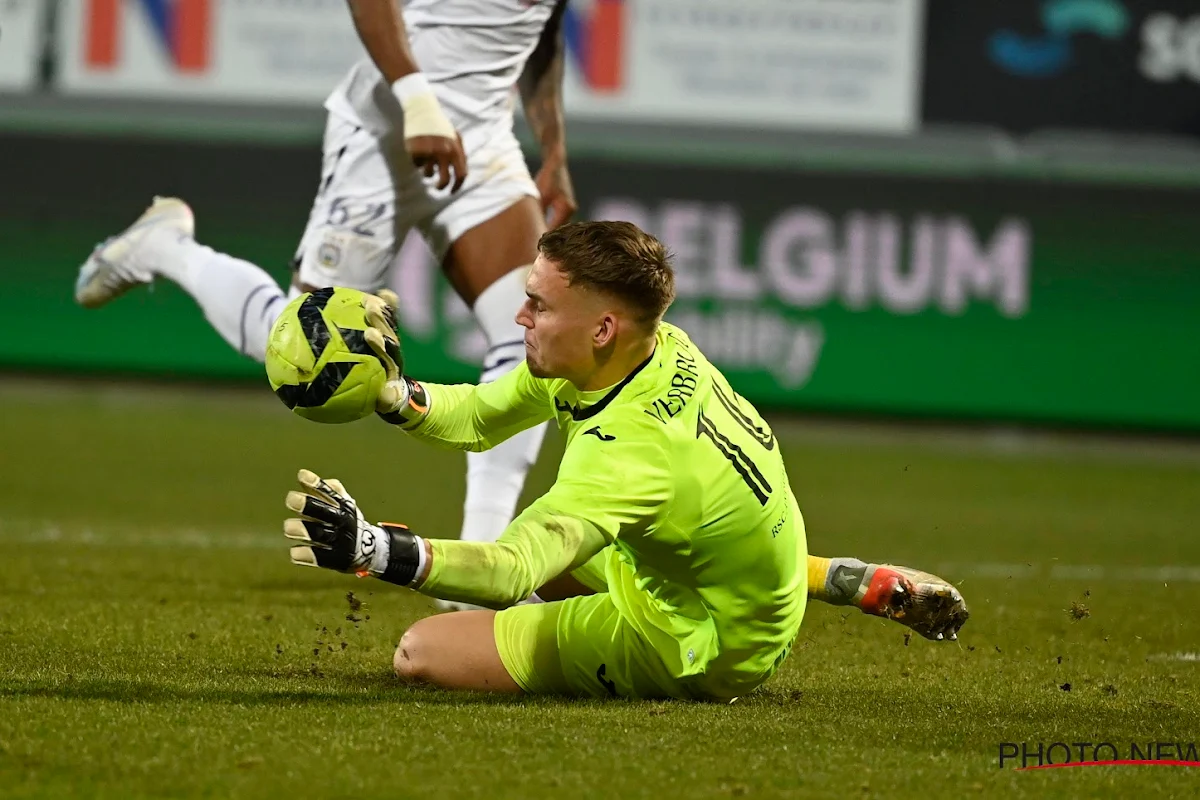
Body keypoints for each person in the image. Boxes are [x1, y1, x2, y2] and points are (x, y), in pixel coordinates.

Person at [281, 220, 969, 699]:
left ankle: (675, 643)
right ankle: (845, 579)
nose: (519, 318)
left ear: (602, 327)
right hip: (754, 575)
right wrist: (394, 395)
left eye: (537, 305)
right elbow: (484, 415)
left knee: (421, 651)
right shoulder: (650, 349)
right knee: (565, 551)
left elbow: (510, 569)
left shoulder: (629, 455)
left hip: (707, 644)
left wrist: (374, 549)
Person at [73, 0, 577, 598]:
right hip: (386, 132)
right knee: (303, 346)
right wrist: (418, 103)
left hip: (483, 142)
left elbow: (543, 28)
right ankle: (164, 249)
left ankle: (475, 574)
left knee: (529, 339)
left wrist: (554, 146)